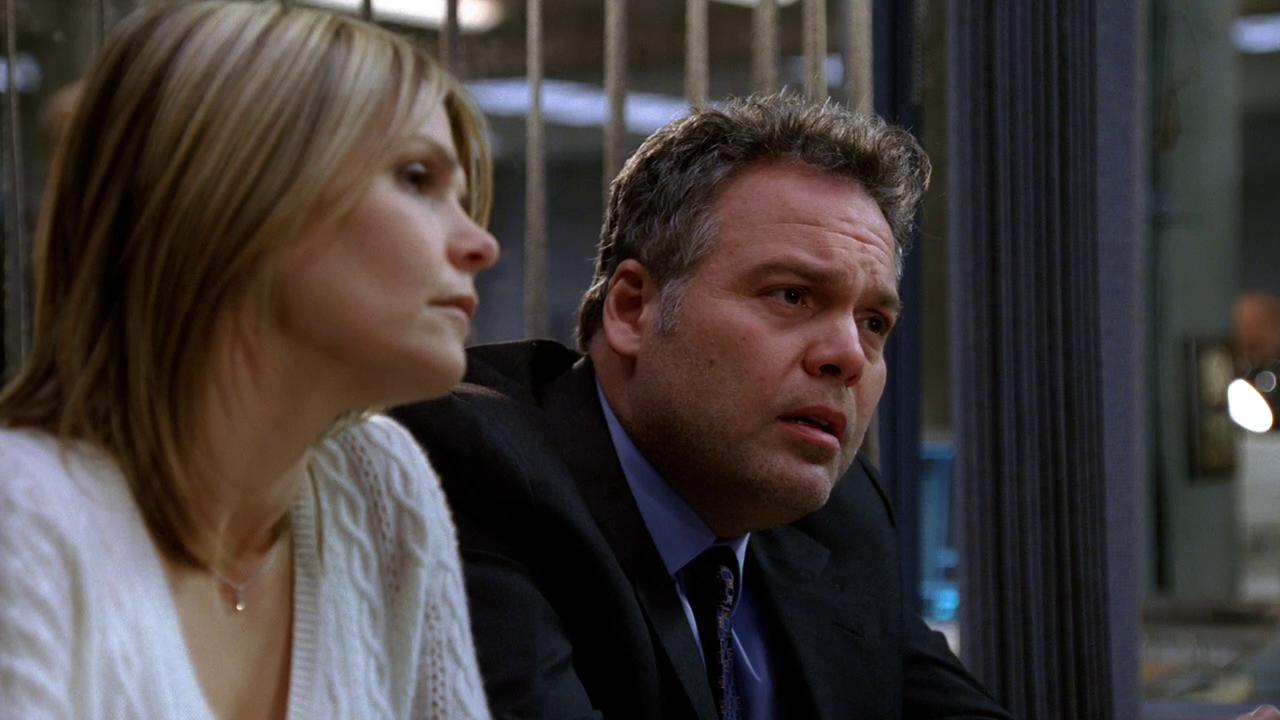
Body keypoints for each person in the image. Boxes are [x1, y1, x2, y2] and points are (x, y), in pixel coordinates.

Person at [394, 93, 1011, 718]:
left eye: (874, 323)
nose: (849, 356)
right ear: (633, 308)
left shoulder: (841, 516)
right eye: (792, 296)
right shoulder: (471, 466)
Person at [0, 2, 498, 717]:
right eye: (417, 178)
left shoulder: (379, 487)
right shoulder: (23, 514)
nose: (481, 245)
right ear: (236, 195)